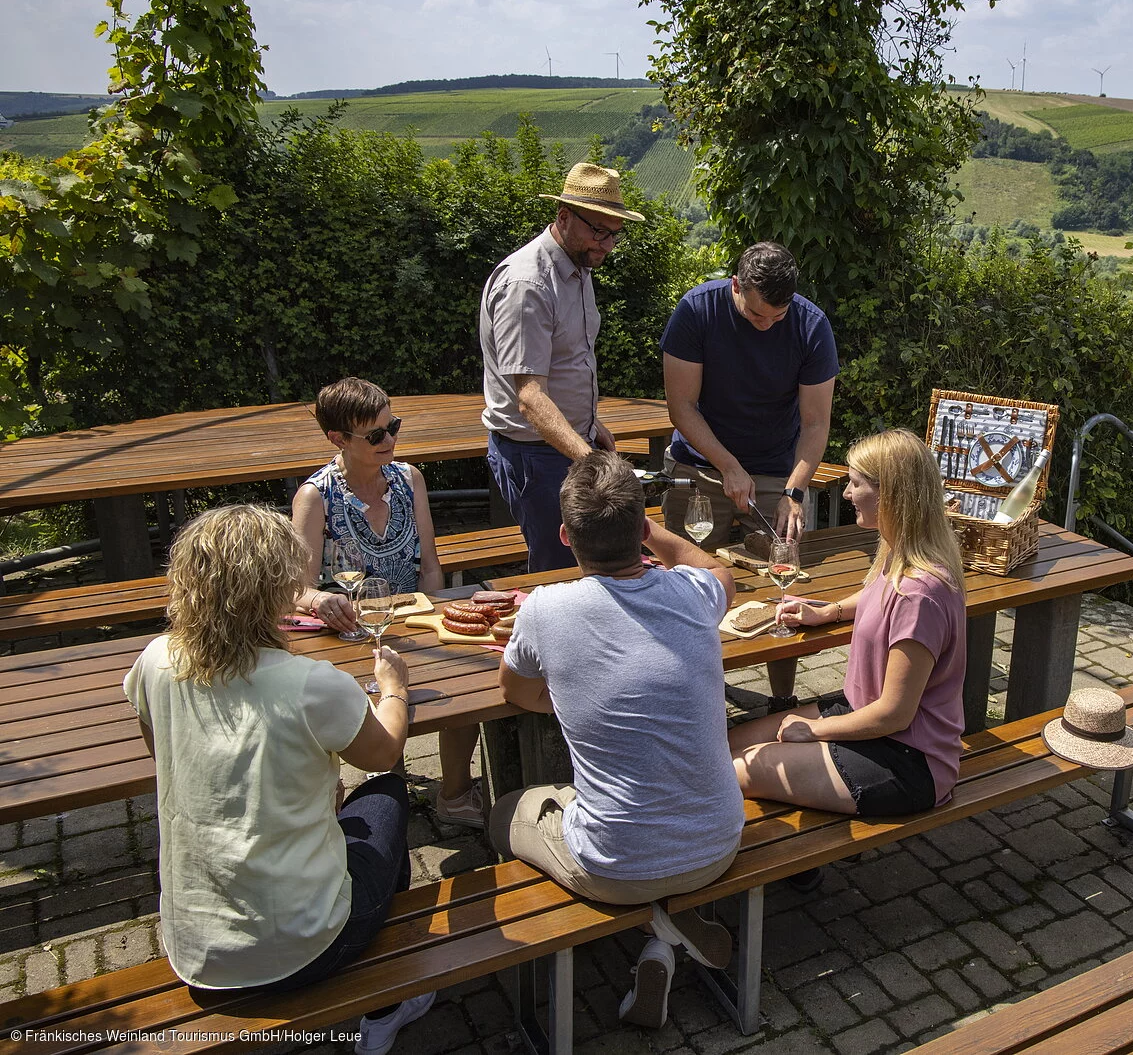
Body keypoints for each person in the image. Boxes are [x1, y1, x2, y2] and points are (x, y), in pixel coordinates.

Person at [124, 505, 434, 1055]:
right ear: (277, 590)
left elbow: (170, 759)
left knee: (341, 807)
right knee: (387, 791)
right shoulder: (313, 683)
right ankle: (387, 1002)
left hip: (196, 950)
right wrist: (395, 688)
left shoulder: (155, 660)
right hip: (304, 945)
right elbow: (383, 752)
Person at [490, 451, 745, 1030]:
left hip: (615, 867)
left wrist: (577, 692)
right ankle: (664, 936)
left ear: (564, 536)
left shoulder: (546, 609)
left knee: (505, 812)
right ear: (642, 530)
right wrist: (651, 528)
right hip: (719, 843)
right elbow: (721, 570)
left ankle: (643, 925)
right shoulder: (694, 594)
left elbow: (516, 694)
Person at [728, 429, 967, 826]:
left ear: (890, 494)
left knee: (737, 769)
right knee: (729, 745)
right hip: (864, 716)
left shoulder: (919, 595)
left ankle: (776, 861)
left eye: (855, 483)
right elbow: (876, 597)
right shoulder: (899, 550)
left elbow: (894, 714)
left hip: (906, 758)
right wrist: (830, 611)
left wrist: (816, 731)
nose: (846, 494)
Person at [291, 377, 484, 829]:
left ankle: (453, 791)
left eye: (392, 426)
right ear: (337, 438)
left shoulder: (408, 478)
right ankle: (388, 790)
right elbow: (295, 589)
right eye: (376, 434)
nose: (390, 440)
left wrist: (439, 616)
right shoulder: (315, 497)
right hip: (347, 635)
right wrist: (320, 600)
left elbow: (431, 567)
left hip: (411, 622)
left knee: (469, 681)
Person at [479, 162, 645, 573]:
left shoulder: (577, 264)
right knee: (562, 573)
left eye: (615, 233)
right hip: (535, 456)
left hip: (566, 442)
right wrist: (592, 463)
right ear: (564, 216)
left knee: (592, 568)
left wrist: (590, 423)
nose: (607, 245)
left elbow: (569, 361)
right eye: (599, 231)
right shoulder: (528, 285)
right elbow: (530, 398)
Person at [660, 241, 837, 548]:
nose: (767, 325)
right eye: (756, 314)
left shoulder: (812, 325)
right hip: (699, 467)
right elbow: (682, 408)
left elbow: (816, 424)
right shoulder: (696, 309)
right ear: (736, 285)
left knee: (783, 567)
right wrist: (729, 467)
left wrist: (794, 493)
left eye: (779, 316)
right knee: (685, 579)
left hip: (776, 473)